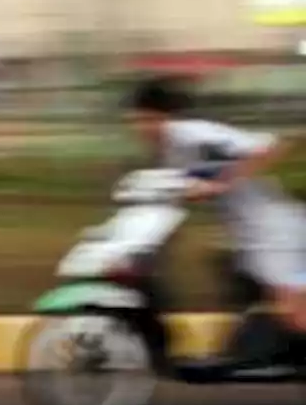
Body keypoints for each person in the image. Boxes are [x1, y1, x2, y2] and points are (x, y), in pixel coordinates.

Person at [126, 74, 306, 334]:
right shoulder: (168, 151)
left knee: (294, 311)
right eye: (134, 121)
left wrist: (222, 184)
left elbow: (269, 147)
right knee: (282, 307)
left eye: (143, 119)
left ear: (162, 116)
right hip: (250, 235)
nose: (138, 128)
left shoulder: (190, 134)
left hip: (271, 230)